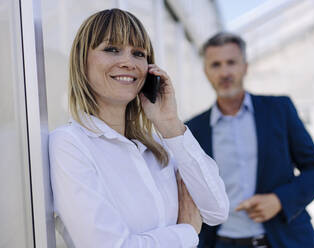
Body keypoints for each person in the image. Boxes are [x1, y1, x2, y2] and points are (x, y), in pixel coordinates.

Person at [49, 9, 229, 248]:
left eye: (138, 53)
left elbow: (217, 210)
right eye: (111, 49)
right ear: (82, 61)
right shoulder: (70, 144)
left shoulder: (161, 143)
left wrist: (170, 124)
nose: (128, 62)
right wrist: (187, 231)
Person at [186, 32, 314, 248]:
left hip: (284, 239)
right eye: (216, 65)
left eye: (231, 63)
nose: (225, 72)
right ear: (206, 71)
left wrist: (280, 200)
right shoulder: (193, 129)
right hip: (221, 242)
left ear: (245, 67)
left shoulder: (280, 110)